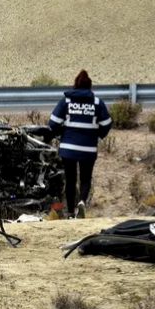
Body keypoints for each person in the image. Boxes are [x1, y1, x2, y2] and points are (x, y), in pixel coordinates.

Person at [48, 70, 112, 218]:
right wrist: (98, 134)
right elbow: (107, 124)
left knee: (70, 180)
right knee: (85, 178)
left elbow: (53, 123)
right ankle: (82, 202)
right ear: (90, 86)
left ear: (75, 85)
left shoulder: (67, 101)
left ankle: (70, 212)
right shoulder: (97, 103)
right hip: (88, 149)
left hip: (68, 148)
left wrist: (60, 134)